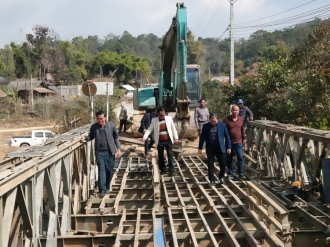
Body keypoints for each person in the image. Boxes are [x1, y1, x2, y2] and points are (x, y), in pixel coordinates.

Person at [81, 110, 121, 196]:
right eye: (98, 119)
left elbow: (116, 137)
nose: (100, 120)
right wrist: (85, 138)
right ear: (96, 119)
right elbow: (91, 136)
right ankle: (102, 190)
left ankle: (107, 187)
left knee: (109, 171)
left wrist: (118, 148)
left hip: (110, 152)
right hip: (100, 153)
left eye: (101, 118)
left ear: (105, 118)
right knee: (101, 171)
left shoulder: (111, 125)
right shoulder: (94, 127)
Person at [143, 107, 179, 175]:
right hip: (160, 141)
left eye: (163, 115)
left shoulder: (169, 118)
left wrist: (176, 138)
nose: (162, 117)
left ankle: (172, 170)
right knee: (160, 156)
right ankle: (163, 170)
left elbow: (173, 129)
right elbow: (149, 129)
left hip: (168, 140)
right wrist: (145, 136)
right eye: (161, 115)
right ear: (157, 114)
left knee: (170, 155)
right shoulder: (154, 120)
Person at [198, 114, 231, 186]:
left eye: (215, 121)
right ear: (209, 120)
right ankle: (212, 180)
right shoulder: (206, 126)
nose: (214, 123)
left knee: (223, 163)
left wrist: (229, 147)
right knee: (210, 165)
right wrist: (200, 147)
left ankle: (221, 177)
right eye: (212, 121)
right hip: (210, 148)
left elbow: (227, 137)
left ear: (217, 120)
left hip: (220, 147)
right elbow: (202, 137)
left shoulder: (222, 125)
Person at [223, 105, 246, 180]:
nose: (235, 112)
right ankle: (230, 173)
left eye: (236, 110)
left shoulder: (241, 119)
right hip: (229, 142)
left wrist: (244, 139)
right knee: (229, 158)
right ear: (231, 111)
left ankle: (241, 174)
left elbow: (242, 130)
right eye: (234, 110)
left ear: (238, 111)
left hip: (238, 142)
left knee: (240, 157)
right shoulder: (226, 120)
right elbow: (223, 130)